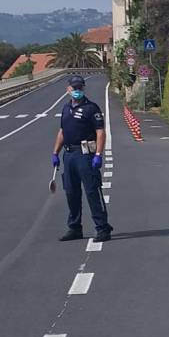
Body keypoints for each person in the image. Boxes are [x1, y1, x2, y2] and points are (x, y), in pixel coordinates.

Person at [52, 75, 113, 242]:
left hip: (86, 154)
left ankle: (102, 228)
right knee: (71, 192)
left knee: (92, 191)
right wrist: (55, 153)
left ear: (83, 89)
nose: (77, 91)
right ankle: (74, 227)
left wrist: (98, 155)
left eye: (79, 88)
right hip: (69, 154)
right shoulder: (65, 108)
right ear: (68, 90)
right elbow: (62, 132)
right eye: (74, 88)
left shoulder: (91, 108)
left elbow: (100, 132)